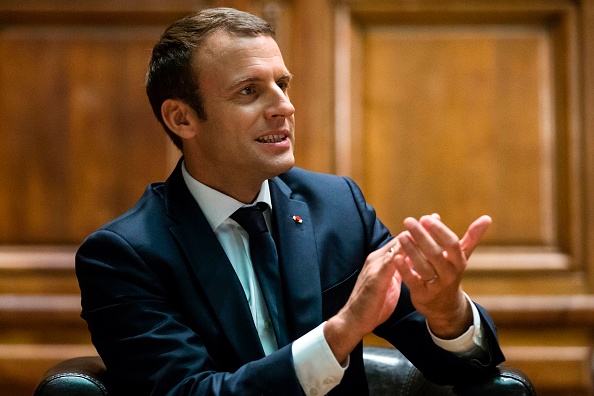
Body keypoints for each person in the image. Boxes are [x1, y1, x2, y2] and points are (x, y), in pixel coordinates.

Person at [75, 7, 505, 396]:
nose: (284, 106)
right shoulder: (123, 256)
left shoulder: (339, 208)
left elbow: (457, 367)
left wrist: (447, 312)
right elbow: (189, 392)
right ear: (182, 118)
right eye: (248, 91)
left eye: (282, 84)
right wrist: (341, 331)